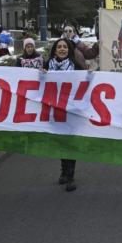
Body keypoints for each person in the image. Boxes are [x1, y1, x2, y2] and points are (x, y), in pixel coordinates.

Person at [47, 38, 82, 192]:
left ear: (69, 50)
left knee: (69, 142)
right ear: (55, 50)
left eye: (65, 47)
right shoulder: (47, 66)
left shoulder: (76, 66)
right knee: (60, 141)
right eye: (59, 47)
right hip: (54, 109)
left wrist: (91, 75)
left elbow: (87, 81)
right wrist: (40, 75)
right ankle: (63, 170)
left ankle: (70, 176)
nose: (62, 49)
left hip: (71, 110)